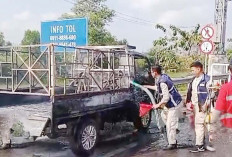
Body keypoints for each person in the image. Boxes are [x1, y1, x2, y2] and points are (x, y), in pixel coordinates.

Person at [144, 65, 183, 150]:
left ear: (155, 72)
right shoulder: (163, 77)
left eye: (151, 72)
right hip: (172, 103)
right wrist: (147, 87)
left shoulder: (162, 82)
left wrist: (157, 105)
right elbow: (158, 88)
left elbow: (166, 98)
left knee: (169, 124)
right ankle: (174, 129)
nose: (151, 74)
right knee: (163, 116)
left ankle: (172, 143)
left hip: (174, 104)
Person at [186, 61, 211, 153]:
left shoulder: (206, 79)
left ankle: (199, 145)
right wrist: (189, 102)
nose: (192, 72)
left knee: (199, 124)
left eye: (193, 70)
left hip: (202, 105)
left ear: (198, 69)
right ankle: (202, 142)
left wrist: (206, 104)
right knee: (199, 124)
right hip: (195, 105)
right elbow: (190, 91)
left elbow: (210, 93)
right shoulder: (194, 80)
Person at [211, 59, 232, 130]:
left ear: (230, 71)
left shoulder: (225, 88)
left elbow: (218, 110)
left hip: (229, 127)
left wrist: (212, 127)